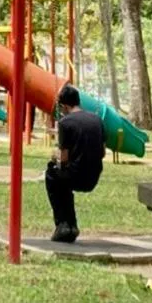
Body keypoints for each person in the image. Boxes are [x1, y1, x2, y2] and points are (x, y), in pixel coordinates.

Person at [46, 83, 104, 243]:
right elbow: (103, 151)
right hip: (93, 175)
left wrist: (54, 156)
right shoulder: (97, 119)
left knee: (52, 174)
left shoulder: (66, 123)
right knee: (63, 183)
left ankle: (64, 224)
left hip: (76, 175)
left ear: (64, 106)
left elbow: (63, 158)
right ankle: (71, 226)